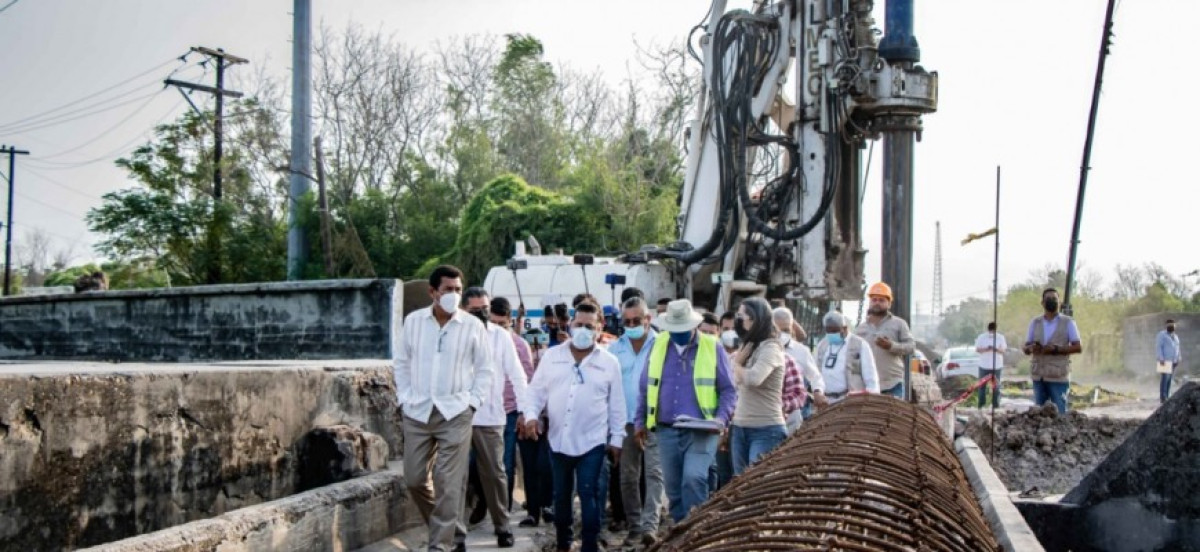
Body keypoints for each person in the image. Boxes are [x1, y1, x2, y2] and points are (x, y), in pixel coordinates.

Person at [394, 265, 494, 552]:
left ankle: (440, 545)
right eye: (448, 289)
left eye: (458, 289)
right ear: (432, 292)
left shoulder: (472, 326)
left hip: (456, 412)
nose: (454, 294)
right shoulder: (414, 322)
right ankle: (452, 532)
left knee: (447, 481)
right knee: (414, 479)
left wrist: (473, 403)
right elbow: (401, 362)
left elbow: (485, 369)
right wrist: (404, 397)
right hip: (417, 411)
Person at [523, 301, 626, 552]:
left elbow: (617, 404)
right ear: (570, 324)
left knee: (589, 492)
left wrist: (617, 439)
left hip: (593, 441)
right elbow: (535, 392)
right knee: (561, 494)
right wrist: (531, 416)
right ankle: (564, 542)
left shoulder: (609, 362)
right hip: (559, 439)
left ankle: (590, 543)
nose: (583, 330)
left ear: (599, 328)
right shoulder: (552, 356)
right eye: (579, 324)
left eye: (589, 326)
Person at [635, 299, 737, 524]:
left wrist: (721, 419)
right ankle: (681, 528)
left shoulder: (712, 347)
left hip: (702, 429)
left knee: (694, 478)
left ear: (694, 326)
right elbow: (645, 386)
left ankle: (697, 529)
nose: (678, 334)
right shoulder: (659, 345)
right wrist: (640, 421)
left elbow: (729, 390)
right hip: (666, 430)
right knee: (673, 489)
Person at [455, 288, 529, 548]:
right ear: (464, 310)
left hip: (490, 416)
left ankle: (502, 526)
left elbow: (517, 374)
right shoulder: (452, 334)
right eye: (475, 310)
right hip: (457, 416)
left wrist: (526, 411)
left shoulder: (501, 336)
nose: (481, 314)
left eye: (484, 309)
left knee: (496, 474)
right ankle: (457, 535)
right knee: (456, 477)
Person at [607, 297, 663, 546]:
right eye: (626, 321)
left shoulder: (662, 345)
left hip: (655, 419)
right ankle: (635, 527)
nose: (631, 325)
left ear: (648, 319)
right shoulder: (615, 350)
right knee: (628, 476)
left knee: (654, 474)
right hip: (626, 421)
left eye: (636, 320)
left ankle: (651, 525)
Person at [729, 298, 788, 475]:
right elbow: (733, 380)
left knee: (756, 480)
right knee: (740, 482)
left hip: (766, 429)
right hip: (740, 426)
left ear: (755, 318)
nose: (739, 320)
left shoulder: (771, 348)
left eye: (742, 316)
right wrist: (736, 366)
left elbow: (754, 378)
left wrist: (736, 365)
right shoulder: (749, 346)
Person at [488, 297, 533, 512]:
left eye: (502, 324)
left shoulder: (520, 346)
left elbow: (527, 380)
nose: (497, 329)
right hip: (484, 411)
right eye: (493, 323)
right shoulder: (481, 340)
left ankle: (503, 511)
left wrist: (525, 413)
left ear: (509, 321)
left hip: (510, 412)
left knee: (506, 464)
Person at [1022, 288, 1082, 413]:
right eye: (1048, 299)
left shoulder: (1068, 322)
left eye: (1054, 299)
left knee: (1060, 414)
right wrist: (1031, 348)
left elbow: (1078, 347)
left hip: (1058, 377)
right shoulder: (1035, 322)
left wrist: (1056, 349)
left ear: (1059, 302)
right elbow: (1025, 347)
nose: (1051, 301)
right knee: (1039, 414)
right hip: (1039, 377)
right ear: (1042, 303)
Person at [854, 282, 916, 399]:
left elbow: (911, 347)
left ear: (889, 303)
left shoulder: (899, 324)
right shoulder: (860, 329)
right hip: (868, 385)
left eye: (881, 300)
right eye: (874, 300)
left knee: (893, 412)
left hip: (892, 384)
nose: (877, 303)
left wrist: (891, 346)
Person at [773, 307, 825, 430]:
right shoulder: (761, 349)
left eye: (785, 330)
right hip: (766, 412)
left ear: (792, 329)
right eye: (778, 330)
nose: (782, 334)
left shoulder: (801, 351)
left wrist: (817, 391)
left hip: (792, 413)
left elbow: (815, 376)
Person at [816, 311, 880, 403]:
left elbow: (871, 376)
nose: (831, 334)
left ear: (845, 328)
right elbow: (815, 372)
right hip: (826, 401)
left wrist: (872, 398)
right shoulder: (822, 345)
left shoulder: (860, 345)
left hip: (850, 402)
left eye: (834, 331)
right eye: (828, 332)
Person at [974, 322, 1008, 408]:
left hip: (996, 366)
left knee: (995, 387)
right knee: (982, 387)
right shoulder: (982, 337)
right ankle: (982, 406)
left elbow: (1003, 350)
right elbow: (977, 349)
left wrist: (995, 349)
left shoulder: (1000, 337)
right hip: (984, 365)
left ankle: (995, 406)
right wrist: (986, 349)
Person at [1156, 319, 1181, 403]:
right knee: (1165, 378)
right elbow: (1159, 347)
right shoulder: (1162, 335)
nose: (1171, 327)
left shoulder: (1176, 336)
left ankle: (1167, 395)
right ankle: (1163, 397)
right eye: (1169, 325)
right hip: (1165, 360)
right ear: (1166, 326)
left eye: (1173, 325)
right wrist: (1161, 358)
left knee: (1170, 379)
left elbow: (1177, 348)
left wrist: (1178, 358)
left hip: (1173, 361)